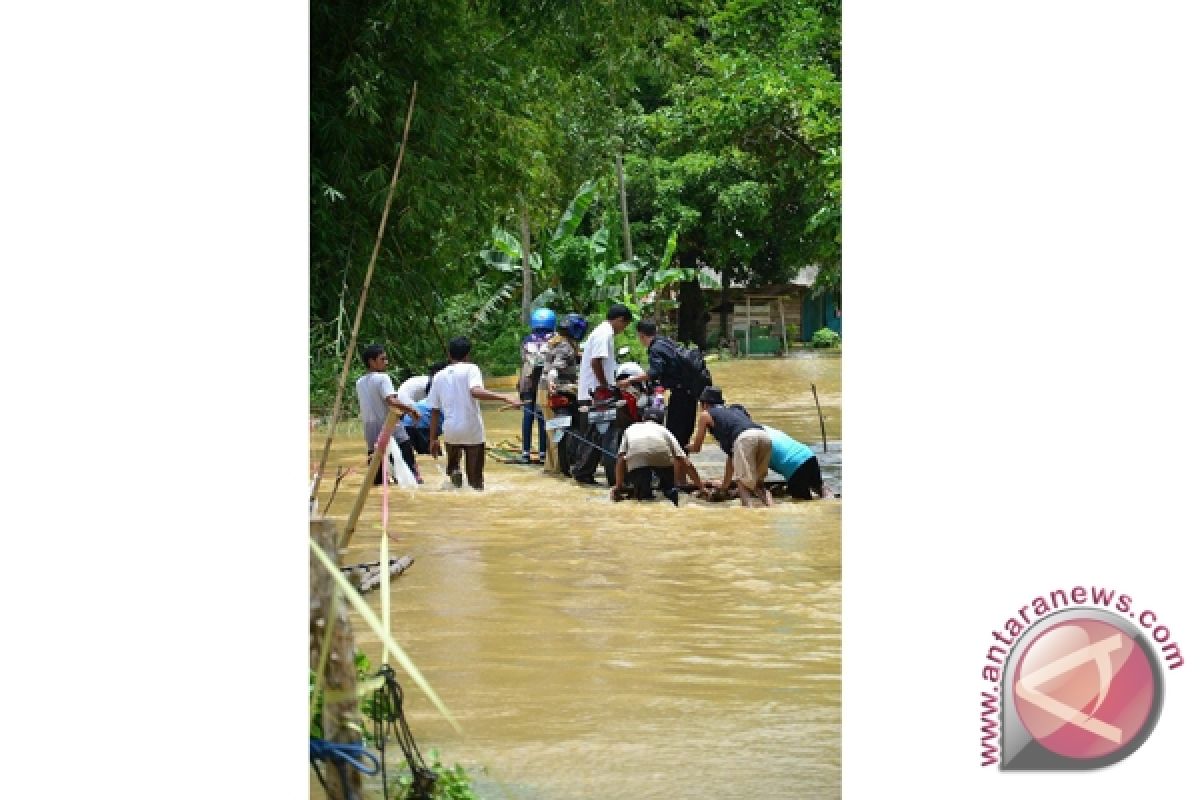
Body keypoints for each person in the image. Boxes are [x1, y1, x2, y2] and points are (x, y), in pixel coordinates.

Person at [426, 336, 520, 490]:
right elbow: (475, 391)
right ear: (468, 355)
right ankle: (473, 488)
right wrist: (505, 397)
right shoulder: (471, 369)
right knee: (475, 482)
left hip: (450, 431)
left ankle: (454, 471)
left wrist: (432, 439)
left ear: (449, 355)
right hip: (472, 430)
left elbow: (434, 411)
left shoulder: (438, 376)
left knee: (453, 467)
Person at [619, 319, 707, 447]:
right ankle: (682, 460)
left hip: (680, 395)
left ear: (641, 335)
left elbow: (653, 373)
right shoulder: (666, 342)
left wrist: (629, 380)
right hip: (691, 392)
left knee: (674, 433)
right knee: (684, 432)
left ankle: (677, 463)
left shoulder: (655, 348)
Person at [571, 304, 634, 485]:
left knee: (596, 434)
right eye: (625, 325)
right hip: (596, 393)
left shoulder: (602, 332)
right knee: (596, 434)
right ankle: (583, 472)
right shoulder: (604, 333)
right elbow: (596, 362)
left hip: (596, 392)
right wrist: (605, 386)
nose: (623, 329)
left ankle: (584, 473)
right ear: (620, 320)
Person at [687, 386, 774, 507]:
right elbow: (732, 458)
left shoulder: (705, 415)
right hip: (764, 436)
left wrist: (684, 447)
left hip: (744, 439)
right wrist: (724, 486)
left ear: (704, 404)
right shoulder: (735, 411)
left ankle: (750, 516)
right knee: (758, 484)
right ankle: (772, 509)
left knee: (743, 484)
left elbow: (697, 448)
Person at [611, 406, 707, 505]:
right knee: (670, 493)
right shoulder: (664, 431)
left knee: (643, 500)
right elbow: (683, 459)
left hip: (638, 461)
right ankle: (670, 494)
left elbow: (621, 459)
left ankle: (643, 493)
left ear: (643, 419)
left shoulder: (631, 428)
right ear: (661, 422)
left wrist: (618, 486)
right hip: (663, 460)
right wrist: (701, 487)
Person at [354, 344, 420, 485]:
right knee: (409, 467)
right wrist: (411, 410)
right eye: (382, 359)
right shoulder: (382, 378)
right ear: (372, 362)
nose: (386, 362)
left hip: (370, 430)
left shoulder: (359, 382)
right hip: (390, 427)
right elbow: (391, 400)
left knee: (376, 476)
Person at [543, 313, 588, 475]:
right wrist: (552, 380)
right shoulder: (565, 346)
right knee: (580, 425)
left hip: (552, 392)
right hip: (565, 389)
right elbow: (556, 366)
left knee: (555, 430)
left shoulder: (556, 342)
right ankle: (575, 463)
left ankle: (557, 466)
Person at [518, 308, 556, 463]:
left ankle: (525, 453)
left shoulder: (527, 340)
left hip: (527, 383)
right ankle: (542, 453)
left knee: (527, 416)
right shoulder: (554, 340)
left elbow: (524, 360)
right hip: (544, 383)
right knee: (542, 416)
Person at [761, 425, 828, 500]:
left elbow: (755, 475)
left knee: (803, 504)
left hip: (794, 467)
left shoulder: (750, 439)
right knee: (821, 489)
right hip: (808, 455)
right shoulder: (765, 428)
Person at [397, 361, 447, 456]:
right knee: (432, 454)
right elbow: (434, 410)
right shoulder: (432, 383)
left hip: (407, 415)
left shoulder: (426, 381)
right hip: (409, 407)